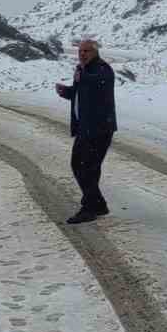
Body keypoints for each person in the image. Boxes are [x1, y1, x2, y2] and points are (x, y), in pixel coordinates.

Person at [54, 38, 116, 224]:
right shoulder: (83, 70)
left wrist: (83, 77)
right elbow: (81, 92)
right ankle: (97, 204)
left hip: (99, 129)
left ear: (95, 52)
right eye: (80, 51)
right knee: (84, 166)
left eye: (86, 51)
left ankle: (91, 207)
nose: (82, 54)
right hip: (85, 128)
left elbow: (99, 83)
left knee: (84, 167)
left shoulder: (103, 68)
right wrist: (66, 92)